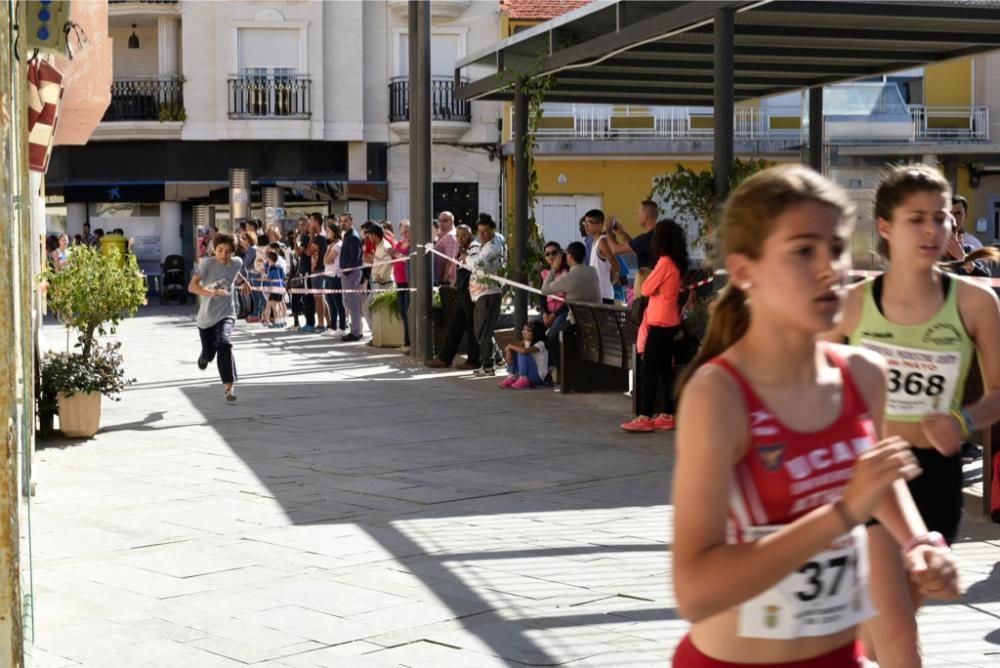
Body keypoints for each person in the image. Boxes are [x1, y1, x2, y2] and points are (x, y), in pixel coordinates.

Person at [671, 165, 960, 667]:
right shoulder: (719, 395)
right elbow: (695, 591)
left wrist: (920, 542)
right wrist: (843, 515)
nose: (831, 269)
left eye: (838, 248)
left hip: (839, 655)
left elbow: (877, 476)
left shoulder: (865, 373)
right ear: (744, 271)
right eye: (804, 250)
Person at [824, 164, 1000, 666]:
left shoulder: (975, 302)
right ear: (884, 226)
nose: (931, 230)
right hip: (871, 475)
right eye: (916, 218)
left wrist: (962, 422)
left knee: (882, 632)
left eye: (941, 218)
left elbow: (998, 393)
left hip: (937, 479)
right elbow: (804, 385)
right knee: (899, 637)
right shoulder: (852, 305)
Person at [621, 219, 689, 433]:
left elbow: (647, 287)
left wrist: (654, 285)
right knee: (663, 370)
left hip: (659, 321)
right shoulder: (677, 262)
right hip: (670, 320)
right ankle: (667, 413)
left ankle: (645, 415)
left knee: (649, 368)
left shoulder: (664, 262)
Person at [188, 232, 251, 402]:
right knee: (209, 355)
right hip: (206, 318)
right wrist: (211, 292)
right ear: (214, 250)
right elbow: (192, 287)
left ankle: (229, 387)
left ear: (233, 252)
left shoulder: (236, 263)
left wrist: (244, 282)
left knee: (224, 343)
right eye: (220, 250)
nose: (224, 255)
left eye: (228, 251)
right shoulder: (206, 264)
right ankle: (204, 355)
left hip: (227, 313)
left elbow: (234, 274)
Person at [426, 224, 480, 370]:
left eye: (463, 235)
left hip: (471, 292)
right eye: (458, 235)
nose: (460, 238)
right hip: (463, 291)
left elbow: (475, 266)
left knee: (471, 326)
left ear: (470, 234)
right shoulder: (461, 249)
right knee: (456, 325)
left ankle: (474, 360)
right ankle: (445, 358)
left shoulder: (474, 246)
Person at [467, 213, 506, 376]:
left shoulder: (492, 246)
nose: (482, 235)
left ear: (492, 230)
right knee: (483, 330)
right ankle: (497, 358)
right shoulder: (496, 238)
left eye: (485, 231)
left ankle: (488, 364)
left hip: (489, 292)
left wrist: (466, 258)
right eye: (479, 231)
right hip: (481, 293)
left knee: (482, 330)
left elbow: (478, 265)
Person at [603, 200, 659, 269]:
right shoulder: (657, 234)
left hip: (650, 278)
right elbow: (635, 246)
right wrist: (622, 233)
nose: (637, 216)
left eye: (639, 213)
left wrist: (608, 231)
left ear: (645, 217)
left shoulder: (646, 238)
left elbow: (615, 250)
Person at [498, 321, 549, 389]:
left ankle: (523, 379)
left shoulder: (541, 344)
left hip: (537, 377)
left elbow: (524, 351)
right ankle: (512, 377)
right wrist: (509, 351)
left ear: (536, 332)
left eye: (528, 331)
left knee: (522, 351)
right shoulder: (526, 341)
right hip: (529, 374)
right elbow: (510, 346)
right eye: (524, 330)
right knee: (515, 349)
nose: (524, 332)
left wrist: (510, 346)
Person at [583, 209, 619, 303]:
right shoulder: (594, 241)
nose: (586, 226)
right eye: (585, 223)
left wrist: (607, 283)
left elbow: (616, 267)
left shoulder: (602, 241)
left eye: (589, 223)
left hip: (603, 296)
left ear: (599, 225)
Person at [339, 213, 365, 342]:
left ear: (351, 221)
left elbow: (356, 256)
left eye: (346, 221)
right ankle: (357, 330)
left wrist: (347, 271)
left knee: (353, 304)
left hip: (352, 273)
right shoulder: (347, 236)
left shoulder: (353, 237)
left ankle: (355, 332)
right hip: (348, 273)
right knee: (350, 303)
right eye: (341, 221)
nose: (343, 223)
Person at [306, 213, 330, 333]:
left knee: (318, 299)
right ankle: (329, 323)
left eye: (310, 220)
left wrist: (311, 235)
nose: (309, 223)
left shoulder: (319, 237)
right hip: (322, 269)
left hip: (318, 270)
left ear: (316, 222)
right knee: (322, 298)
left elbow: (308, 252)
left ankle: (321, 324)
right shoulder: (324, 235)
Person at [322, 222, 347, 336]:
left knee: (337, 302)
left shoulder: (338, 245)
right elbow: (325, 261)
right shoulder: (331, 245)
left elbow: (328, 260)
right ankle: (332, 327)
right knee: (330, 303)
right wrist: (328, 249)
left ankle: (342, 327)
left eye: (329, 231)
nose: (327, 233)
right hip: (328, 275)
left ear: (334, 232)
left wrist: (328, 250)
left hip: (335, 276)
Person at [391, 219, 411, 352]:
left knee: (408, 311)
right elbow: (394, 260)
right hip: (399, 281)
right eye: (402, 232)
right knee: (403, 312)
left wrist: (396, 255)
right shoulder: (398, 244)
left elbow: (408, 260)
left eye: (406, 231)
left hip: (409, 282)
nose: (404, 234)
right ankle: (407, 339)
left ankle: (410, 340)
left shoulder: (412, 245)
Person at [263, 250, 287, 329]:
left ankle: (277, 322)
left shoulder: (272, 268)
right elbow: (284, 277)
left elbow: (269, 278)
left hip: (274, 288)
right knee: (279, 305)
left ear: (270, 259)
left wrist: (264, 277)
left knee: (274, 306)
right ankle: (281, 321)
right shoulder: (279, 267)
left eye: (267, 258)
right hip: (281, 288)